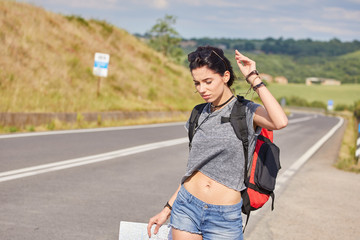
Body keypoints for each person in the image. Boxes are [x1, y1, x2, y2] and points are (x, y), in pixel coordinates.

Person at [147, 46, 288, 240]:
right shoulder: (198, 113)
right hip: (186, 208)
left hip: (224, 216)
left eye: (208, 81)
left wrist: (254, 78)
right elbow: (194, 169)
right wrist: (167, 209)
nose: (202, 89)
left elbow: (280, 121)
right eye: (197, 83)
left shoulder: (245, 111)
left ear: (225, 76)